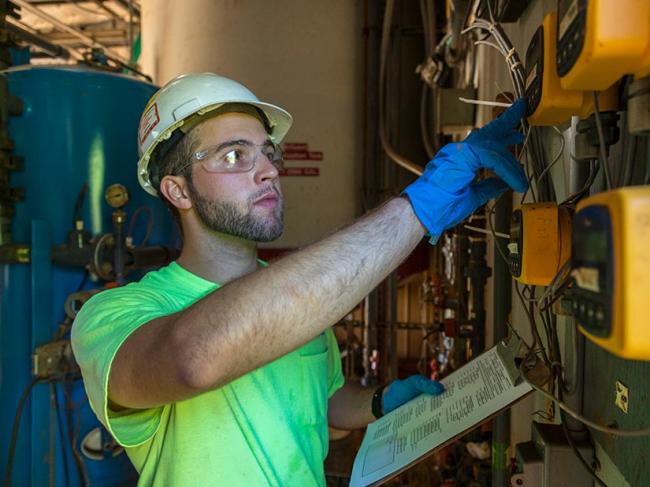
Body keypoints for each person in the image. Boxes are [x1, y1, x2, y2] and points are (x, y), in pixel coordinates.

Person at [71, 73, 527, 486]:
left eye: (268, 153)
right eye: (235, 155)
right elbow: (194, 359)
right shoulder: (113, 316)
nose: (268, 169)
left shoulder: (299, 302)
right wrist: (414, 210)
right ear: (178, 189)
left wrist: (378, 402)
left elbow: (323, 407)